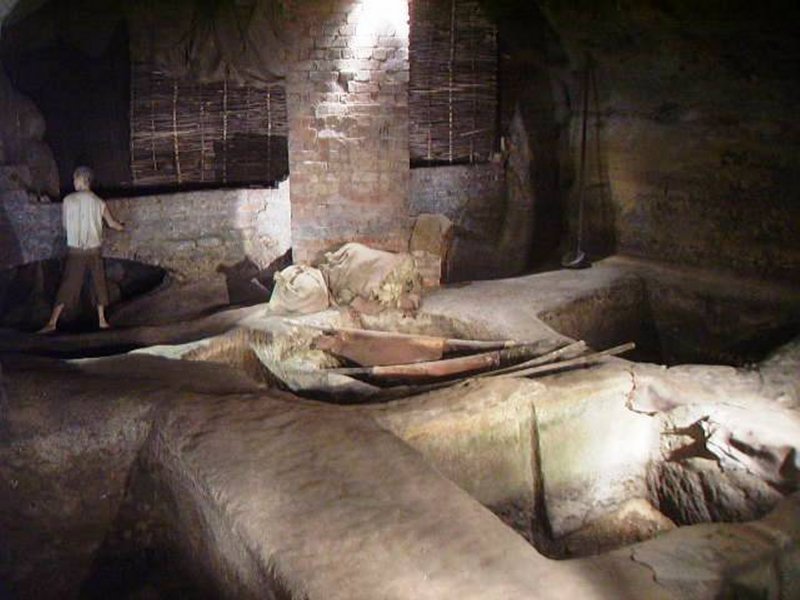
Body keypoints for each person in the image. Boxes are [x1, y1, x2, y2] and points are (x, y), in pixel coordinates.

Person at [38, 166, 125, 333]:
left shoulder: (68, 200)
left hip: (76, 250)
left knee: (68, 284)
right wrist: (123, 227)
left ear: (81, 179)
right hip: (94, 249)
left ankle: (52, 322)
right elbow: (112, 224)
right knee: (99, 281)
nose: (73, 182)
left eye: (74, 179)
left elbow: (64, 225)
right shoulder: (99, 202)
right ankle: (102, 320)